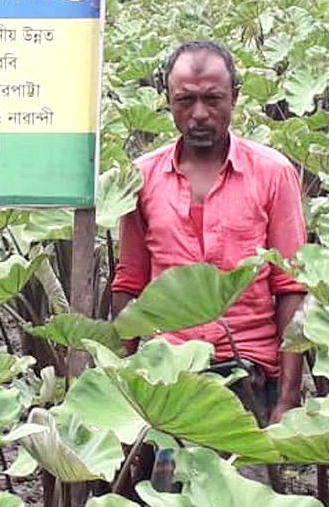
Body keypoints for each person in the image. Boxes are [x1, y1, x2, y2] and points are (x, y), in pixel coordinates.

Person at [111, 40, 308, 426]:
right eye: (185, 100)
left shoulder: (273, 173)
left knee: (244, 485)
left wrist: (288, 398)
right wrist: (124, 386)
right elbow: (129, 282)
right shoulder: (141, 176)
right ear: (166, 100)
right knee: (166, 487)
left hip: (247, 367)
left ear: (235, 96)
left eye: (213, 99)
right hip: (167, 372)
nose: (199, 114)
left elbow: (290, 288)